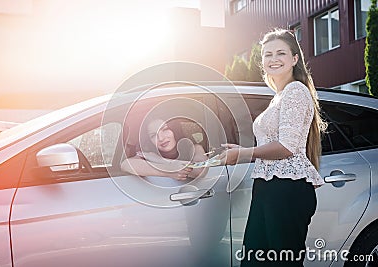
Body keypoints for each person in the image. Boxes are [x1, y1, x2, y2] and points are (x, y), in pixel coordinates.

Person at [219, 28, 327, 266]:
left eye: (281, 53)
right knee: (254, 260)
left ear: (294, 59)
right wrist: (240, 149)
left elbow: (287, 147)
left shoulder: (296, 91)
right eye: (267, 54)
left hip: (286, 190)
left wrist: (243, 154)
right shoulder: (279, 96)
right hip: (269, 187)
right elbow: (273, 142)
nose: (273, 59)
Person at [121, 117, 208, 180]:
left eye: (165, 129)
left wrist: (161, 161)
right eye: (153, 135)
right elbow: (126, 164)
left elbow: (201, 170)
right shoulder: (148, 154)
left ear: (174, 130)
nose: (161, 138)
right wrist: (168, 171)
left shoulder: (194, 148)